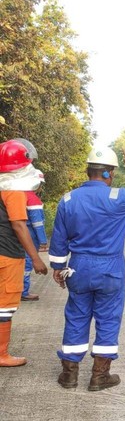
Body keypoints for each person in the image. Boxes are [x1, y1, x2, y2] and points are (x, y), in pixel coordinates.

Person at [48, 147, 125, 390]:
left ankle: (69, 375)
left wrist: (58, 267)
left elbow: (58, 239)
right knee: (108, 318)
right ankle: (99, 376)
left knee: (76, 316)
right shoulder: (119, 198)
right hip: (110, 268)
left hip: (78, 266)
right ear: (109, 174)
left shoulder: (68, 199)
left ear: (88, 171)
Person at [0, 139, 48, 367]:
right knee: (5, 306)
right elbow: (19, 225)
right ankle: (1, 355)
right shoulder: (14, 190)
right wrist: (37, 258)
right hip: (7, 254)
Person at [22, 169, 48, 301]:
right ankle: (23, 292)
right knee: (26, 264)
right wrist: (43, 241)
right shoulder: (33, 199)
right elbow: (38, 223)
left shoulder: (18, 195)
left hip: (18, 238)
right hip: (30, 239)